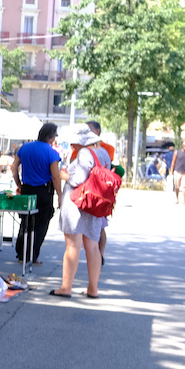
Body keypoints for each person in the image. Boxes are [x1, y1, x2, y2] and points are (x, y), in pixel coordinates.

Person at [52, 124, 111, 298]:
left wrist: (64, 176)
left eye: (73, 142)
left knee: (72, 245)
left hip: (77, 202)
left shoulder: (85, 153)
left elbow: (78, 179)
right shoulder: (104, 152)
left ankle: (66, 287)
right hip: (94, 203)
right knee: (92, 247)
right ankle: (93, 288)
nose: (72, 146)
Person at [11, 122, 61, 265]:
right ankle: (32, 255)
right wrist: (60, 196)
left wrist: (19, 184)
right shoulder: (52, 153)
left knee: (26, 221)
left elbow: (14, 168)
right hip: (44, 191)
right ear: (51, 138)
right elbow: (55, 177)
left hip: (27, 189)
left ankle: (21, 254)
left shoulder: (24, 148)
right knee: (41, 224)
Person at [72, 120, 115, 256]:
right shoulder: (79, 149)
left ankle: (100, 254)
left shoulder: (106, 149)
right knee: (89, 235)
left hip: (96, 194)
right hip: (84, 195)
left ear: (97, 132)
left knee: (97, 231)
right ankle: (97, 256)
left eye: (89, 130)